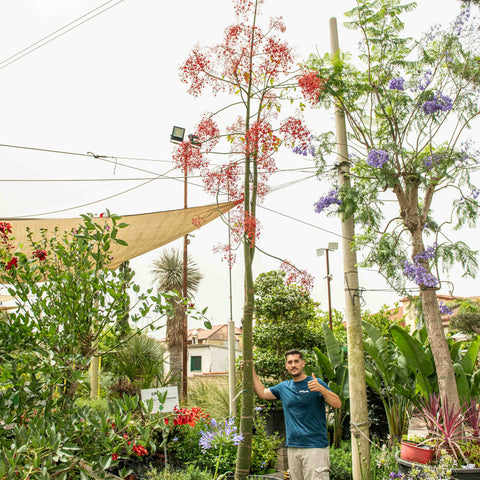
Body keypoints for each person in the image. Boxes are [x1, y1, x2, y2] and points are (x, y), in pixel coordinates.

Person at [252, 349, 341, 480]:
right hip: (293, 448)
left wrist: (321, 389)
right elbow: (262, 393)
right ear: (286, 366)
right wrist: (250, 369)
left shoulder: (315, 383)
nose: (293, 365)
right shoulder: (283, 387)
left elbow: (337, 403)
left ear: (303, 363)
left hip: (315, 447)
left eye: (296, 361)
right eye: (290, 362)